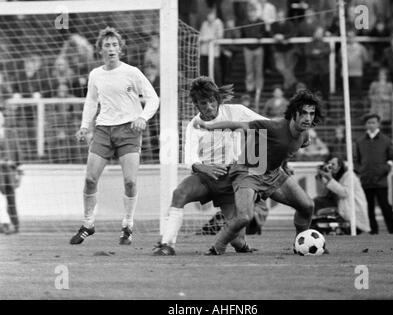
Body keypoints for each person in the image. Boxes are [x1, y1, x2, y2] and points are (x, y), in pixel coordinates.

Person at [194, 90, 323, 255]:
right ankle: (216, 248)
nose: (308, 118)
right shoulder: (274, 127)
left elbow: (286, 148)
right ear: (293, 113)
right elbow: (240, 125)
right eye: (303, 113)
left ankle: (301, 244)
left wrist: (284, 163)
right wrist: (208, 126)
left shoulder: (304, 136)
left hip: (273, 174)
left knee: (307, 206)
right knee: (244, 217)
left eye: (312, 114)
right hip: (248, 172)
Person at [152, 76, 267, 256]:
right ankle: (167, 244)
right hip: (206, 178)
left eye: (212, 101)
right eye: (203, 103)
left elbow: (265, 123)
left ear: (218, 99)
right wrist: (204, 168)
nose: (209, 107)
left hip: (231, 179)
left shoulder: (235, 111)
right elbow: (189, 158)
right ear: (196, 105)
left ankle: (243, 245)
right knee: (179, 193)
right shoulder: (193, 126)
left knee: (236, 239)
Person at [69, 27, 160, 245]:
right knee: (90, 179)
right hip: (103, 130)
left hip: (128, 130)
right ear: (100, 49)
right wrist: (84, 126)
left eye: (115, 45)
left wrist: (143, 118)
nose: (111, 49)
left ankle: (127, 225)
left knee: (129, 181)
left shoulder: (132, 72)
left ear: (120, 48)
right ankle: (88, 224)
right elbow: (91, 102)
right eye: (107, 45)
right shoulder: (95, 74)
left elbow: (153, 99)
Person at [354, 113, 393, 235]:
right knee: (368, 208)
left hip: (381, 181)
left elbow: (392, 158)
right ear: (365, 125)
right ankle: (372, 231)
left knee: (385, 205)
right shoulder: (360, 141)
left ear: (378, 123)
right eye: (369, 122)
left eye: (373, 122)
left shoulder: (386, 140)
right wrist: (361, 171)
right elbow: (356, 160)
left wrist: (385, 169)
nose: (371, 125)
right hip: (366, 180)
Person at [315, 156, 371, 234]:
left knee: (317, 203)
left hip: (352, 210)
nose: (330, 166)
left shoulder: (349, 175)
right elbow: (322, 194)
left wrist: (330, 179)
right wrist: (321, 178)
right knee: (316, 201)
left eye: (333, 164)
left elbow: (344, 193)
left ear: (339, 166)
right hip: (340, 207)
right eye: (328, 164)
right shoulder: (332, 175)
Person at [0, 111, 22, 234]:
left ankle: (14, 224)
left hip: (9, 174)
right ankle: (4, 225)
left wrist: (19, 173)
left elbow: (17, 154)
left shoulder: (11, 134)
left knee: (11, 200)